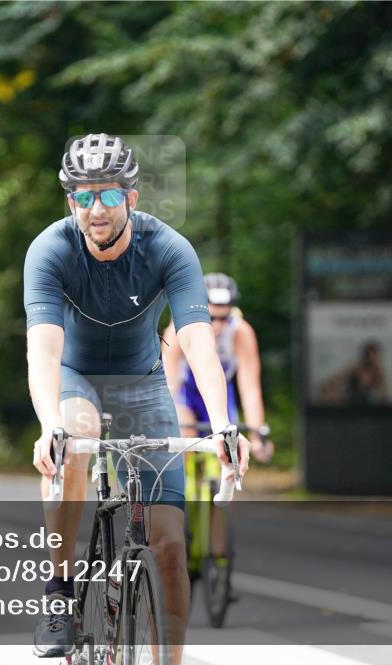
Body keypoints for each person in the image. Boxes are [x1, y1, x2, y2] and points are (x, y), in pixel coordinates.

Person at [25, 133, 250, 663]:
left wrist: (222, 424)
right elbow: (43, 349)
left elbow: (197, 341)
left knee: (171, 548)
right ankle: (60, 594)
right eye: (83, 196)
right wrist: (48, 424)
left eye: (107, 194)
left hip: (143, 383)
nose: (95, 208)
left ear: (132, 197)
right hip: (76, 376)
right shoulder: (51, 250)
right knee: (75, 434)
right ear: (70, 202)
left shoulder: (169, 248)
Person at [161, 272, 274, 462]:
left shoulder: (241, 332)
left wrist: (257, 434)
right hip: (186, 392)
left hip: (221, 391)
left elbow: (250, 389)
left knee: (230, 447)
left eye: (224, 319)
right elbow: (169, 383)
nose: (218, 326)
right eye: (211, 318)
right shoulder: (177, 330)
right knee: (184, 437)